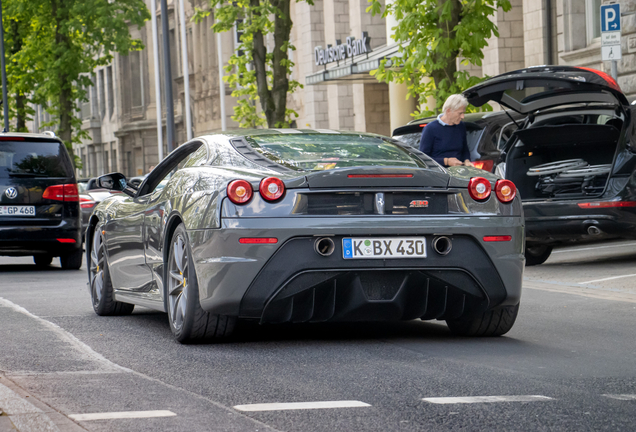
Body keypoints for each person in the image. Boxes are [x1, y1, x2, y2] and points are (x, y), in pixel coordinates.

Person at [419, 94, 474, 168]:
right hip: (438, 174)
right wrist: (446, 161)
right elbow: (423, 159)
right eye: (460, 113)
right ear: (448, 111)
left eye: (463, 113)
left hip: (458, 173)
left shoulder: (461, 126)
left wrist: (467, 160)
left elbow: (465, 149)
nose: (463, 116)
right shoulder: (430, 129)